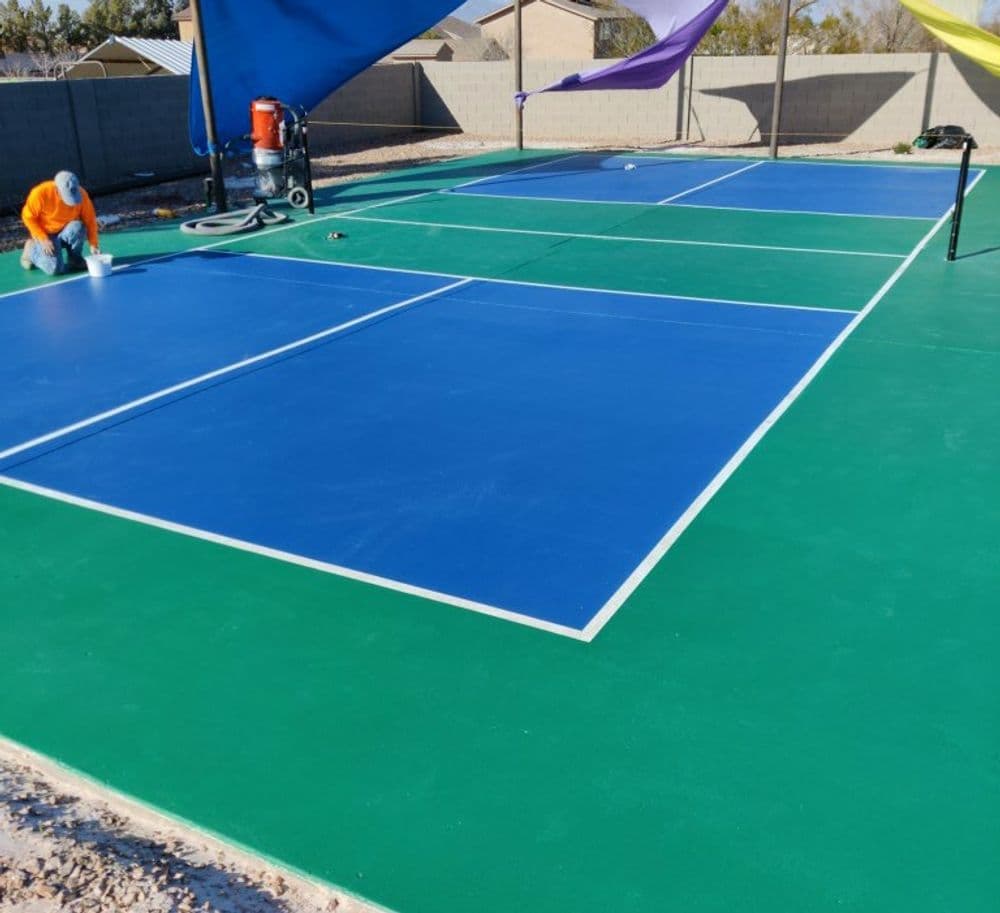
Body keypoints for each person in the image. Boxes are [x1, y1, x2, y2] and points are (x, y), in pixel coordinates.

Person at [19, 171, 100, 276]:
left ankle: (75, 260)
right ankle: (31, 251)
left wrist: (94, 245)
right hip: (45, 235)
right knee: (55, 269)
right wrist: (43, 239)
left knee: (79, 227)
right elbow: (28, 218)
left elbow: (90, 220)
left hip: (65, 230)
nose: (72, 200)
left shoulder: (82, 194)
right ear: (57, 190)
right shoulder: (40, 193)